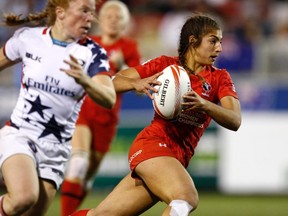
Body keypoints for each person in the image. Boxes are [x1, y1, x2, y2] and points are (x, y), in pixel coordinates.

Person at [71, 13, 242, 216]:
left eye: (220, 42)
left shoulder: (219, 77)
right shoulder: (165, 65)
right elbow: (113, 82)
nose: (219, 48)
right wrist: (135, 83)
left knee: (102, 215)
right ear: (193, 41)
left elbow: (235, 120)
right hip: (153, 144)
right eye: (213, 41)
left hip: (176, 158)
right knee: (186, 197)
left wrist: (205, 105)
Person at [0, 0, 116, 215]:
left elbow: (109, 98)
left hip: (56, 150)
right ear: (61, 13)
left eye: (92, 13)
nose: (90, 18)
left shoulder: (93, 53)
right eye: (84, 11)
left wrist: (86, 81)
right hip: (20, 134)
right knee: (24, 198)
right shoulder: (28, 39)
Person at [60, 1, 141, 215]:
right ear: (101, 20)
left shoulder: (129, 47)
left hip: (107, 118)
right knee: (78, 162)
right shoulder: (88, 43)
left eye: (118, 17)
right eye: (109, 16)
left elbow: (139, 87)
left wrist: (123, 65)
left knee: (87, 176)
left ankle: (72, 209)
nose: (113, 20)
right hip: (84, 111)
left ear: (125, 23)